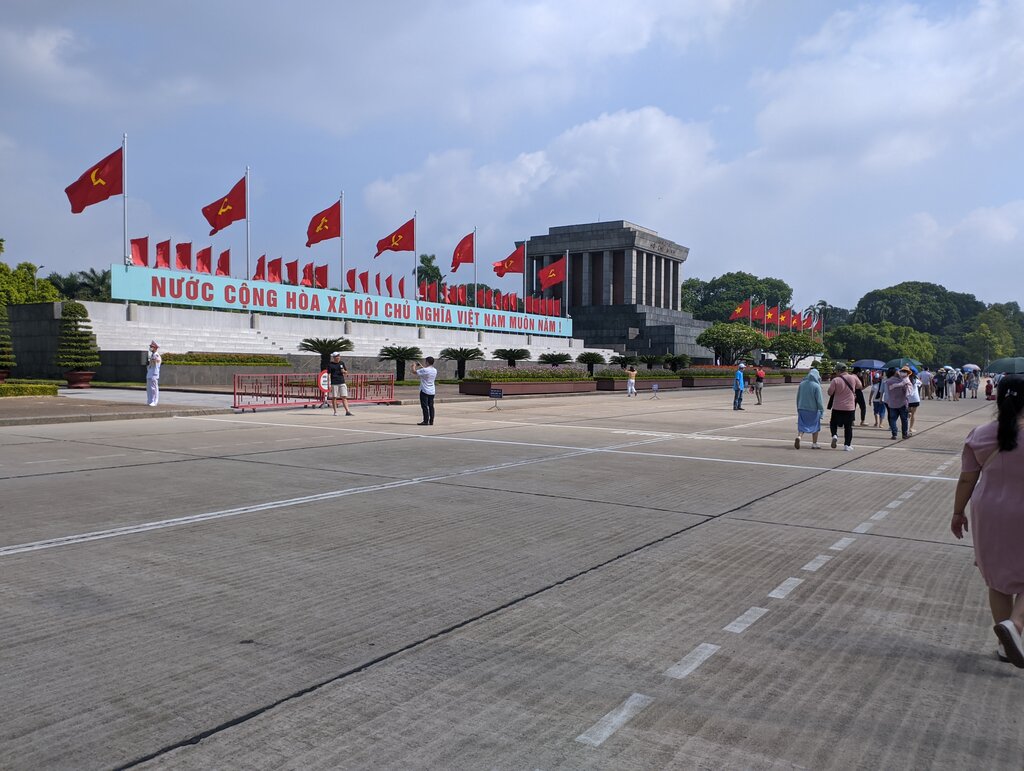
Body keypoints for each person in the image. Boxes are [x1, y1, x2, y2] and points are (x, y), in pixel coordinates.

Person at [951, 375, 1024, 666]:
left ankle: (1006, 645)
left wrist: (958, 513)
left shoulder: (979, 434)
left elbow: (967, 478)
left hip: (989, 511)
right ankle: (1015, 626)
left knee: (998, 581)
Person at [827, 363, 861, 451]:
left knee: (833, 423)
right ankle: (847, 445)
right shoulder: (853, 377)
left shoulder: (836, 380)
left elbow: (830, 392)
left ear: (838, 371)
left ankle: (834, 435)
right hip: (849, 407)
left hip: (837, 406)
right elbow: (859, 386)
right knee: (848, 426)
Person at [794, 368, 825, 449]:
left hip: (802, 408)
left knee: (802, 425)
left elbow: (798, 397)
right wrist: (821, 411)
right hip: (813, 409)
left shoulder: (802, 384)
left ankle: (799, 437)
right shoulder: (816, 386)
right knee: (815, 426)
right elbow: (819, 400)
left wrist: (798, 407)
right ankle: (814, 443)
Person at [883, 366, 912, 440]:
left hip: (892, 403)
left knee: (892, 419)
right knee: (904, 419)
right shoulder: (903, 382)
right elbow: (907, 392)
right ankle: (904, 434)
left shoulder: (888, 381)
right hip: (902, 403)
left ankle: (894, 434)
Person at [412, 355, 438, 425]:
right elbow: (426, 371)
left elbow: (414, 372)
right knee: (431, 406)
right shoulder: (434, 370)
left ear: (427, 362)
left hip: (424, 390)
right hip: (432, 390)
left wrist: (413, 366)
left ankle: (425, 421)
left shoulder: (425, 370)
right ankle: (431, 421)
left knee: (424, 406)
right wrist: (421, 366)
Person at [327, 352, 353, 416]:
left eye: (339, 356)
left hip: (342, 382)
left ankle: (347, 411)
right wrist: (329, 383)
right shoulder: (330, 364)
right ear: (334, 357)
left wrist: (344, 371)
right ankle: (335, 411)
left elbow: (346, 372)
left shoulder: (341, 363)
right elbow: (329, 374)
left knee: (344, 397)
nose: (338, 357)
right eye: (336, 357)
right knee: (334, 397)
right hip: (334, 382)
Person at [907, 368, 922, 436]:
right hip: (915, 398)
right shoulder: (916, 380)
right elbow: (920, 384)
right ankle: (911, 428)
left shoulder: (906, 380)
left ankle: (907, 427)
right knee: (913, 414)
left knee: (908, 412)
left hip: (908, 398)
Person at [146, 340, 161, 407]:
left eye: (152, 347)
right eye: (150, 347)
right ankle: (150, 400)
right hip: (150, 373)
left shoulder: (157, 355)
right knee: (149, 388)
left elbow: (156, 363)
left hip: (154, 374)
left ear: (155, 348)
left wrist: (153, 360)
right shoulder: (152, 355)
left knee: (154, 389)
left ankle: (154, 401)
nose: (151, 348)